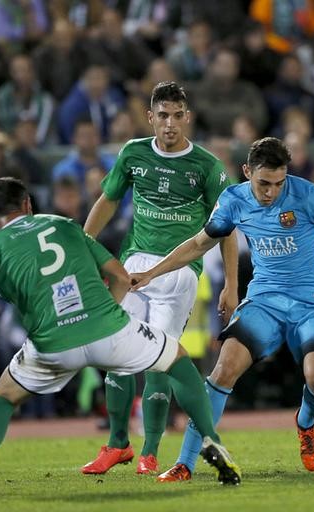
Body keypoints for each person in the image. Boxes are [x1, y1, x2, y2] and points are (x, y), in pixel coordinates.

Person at [0, 177, 242, 495]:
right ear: (29, 204)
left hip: (52, 346)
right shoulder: (65, 226)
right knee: (176, 360)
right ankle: (210, 439)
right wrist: (111, 314)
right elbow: (120, 277)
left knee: (2, 397)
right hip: (109, 330)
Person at [129, 136, 314, 481]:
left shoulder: (306, 195)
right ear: (246, 171)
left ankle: (306, 423)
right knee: (223, 370)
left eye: (279, 183)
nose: (271, 191)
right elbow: (197, 244)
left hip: (312, 302)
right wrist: (151, 273)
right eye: (264, 183)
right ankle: (185, 462)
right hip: (265, 300)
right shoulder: (233, 200)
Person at [82, 81, 238, 476]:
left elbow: (228, 228)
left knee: (158, 361)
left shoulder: (207, 166)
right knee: (117, 356)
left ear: (187, 118)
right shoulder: (133, 153)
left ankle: (150, 451)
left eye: (177, 115)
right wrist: (86, 248)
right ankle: (118, 444)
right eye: (162, 115)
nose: (169, 124)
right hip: (132, 270)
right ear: (150, 117)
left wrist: (232, 285)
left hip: (181, 273)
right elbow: (108, 201)